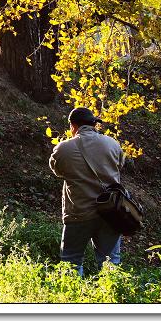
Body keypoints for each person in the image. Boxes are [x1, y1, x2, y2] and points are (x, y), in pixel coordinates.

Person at [49, 107, 126, 276]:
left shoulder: (63, 149)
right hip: (111, 212)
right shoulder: (113, 144)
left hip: (79, 213)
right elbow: (120, 165)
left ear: (72, 126)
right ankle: (113, 296)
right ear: (93, 125)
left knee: (71, 261)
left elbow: (57, 171)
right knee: (111, 261)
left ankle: (73, 297)